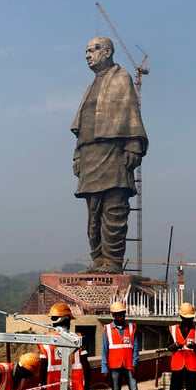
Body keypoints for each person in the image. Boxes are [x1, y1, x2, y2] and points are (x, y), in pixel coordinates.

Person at [71, 36, 148, 274]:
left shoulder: (121, 78)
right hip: (89, 154)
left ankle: (112, 262)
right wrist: (77, 156)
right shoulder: (91, 86)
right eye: (86, 51)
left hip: (113, 153)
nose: (88, 55)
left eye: (93, 50)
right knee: (93, 214)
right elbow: (81, 125)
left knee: (114, 209)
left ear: (107, 52)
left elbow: (131, 113)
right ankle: (98, 260)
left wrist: (134, 144)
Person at [37, 302, 92, 390]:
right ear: (67, 319)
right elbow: (86, 367)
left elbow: (43, 369)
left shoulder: (45, 341)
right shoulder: (77, 339)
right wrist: (86, 389)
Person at [101, 301, 144, 390]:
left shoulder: (131, 328)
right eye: (119, 315)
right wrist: (104, 368)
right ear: (114, 315)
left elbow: (135, 348)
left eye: (123, 314)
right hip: (114, 366)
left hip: (129, 366)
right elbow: (104, 350)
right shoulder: (107, 329)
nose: (122, 317)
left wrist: (135, 364)